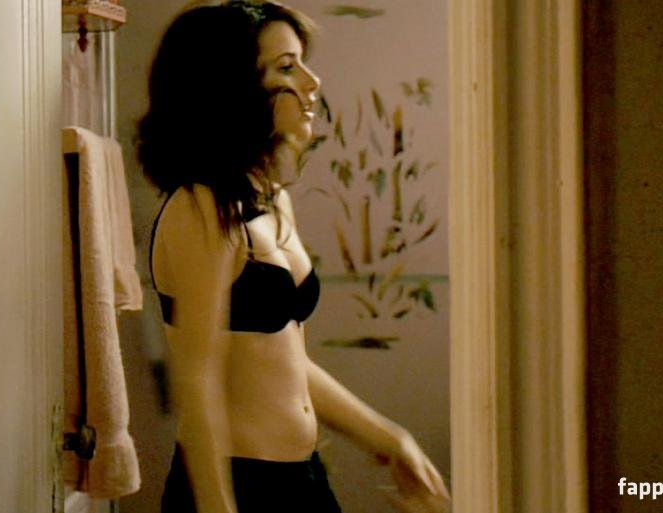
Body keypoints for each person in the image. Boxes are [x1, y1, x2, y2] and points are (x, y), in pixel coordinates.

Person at [138, 2, 450, 511]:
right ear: (232, 87)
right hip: (238, 485)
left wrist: (389, 438)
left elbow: (284, 359)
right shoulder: (200, 208)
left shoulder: (270, 198)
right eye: (286, 67)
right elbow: (197, 380)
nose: (311, 81)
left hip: (302, 478)